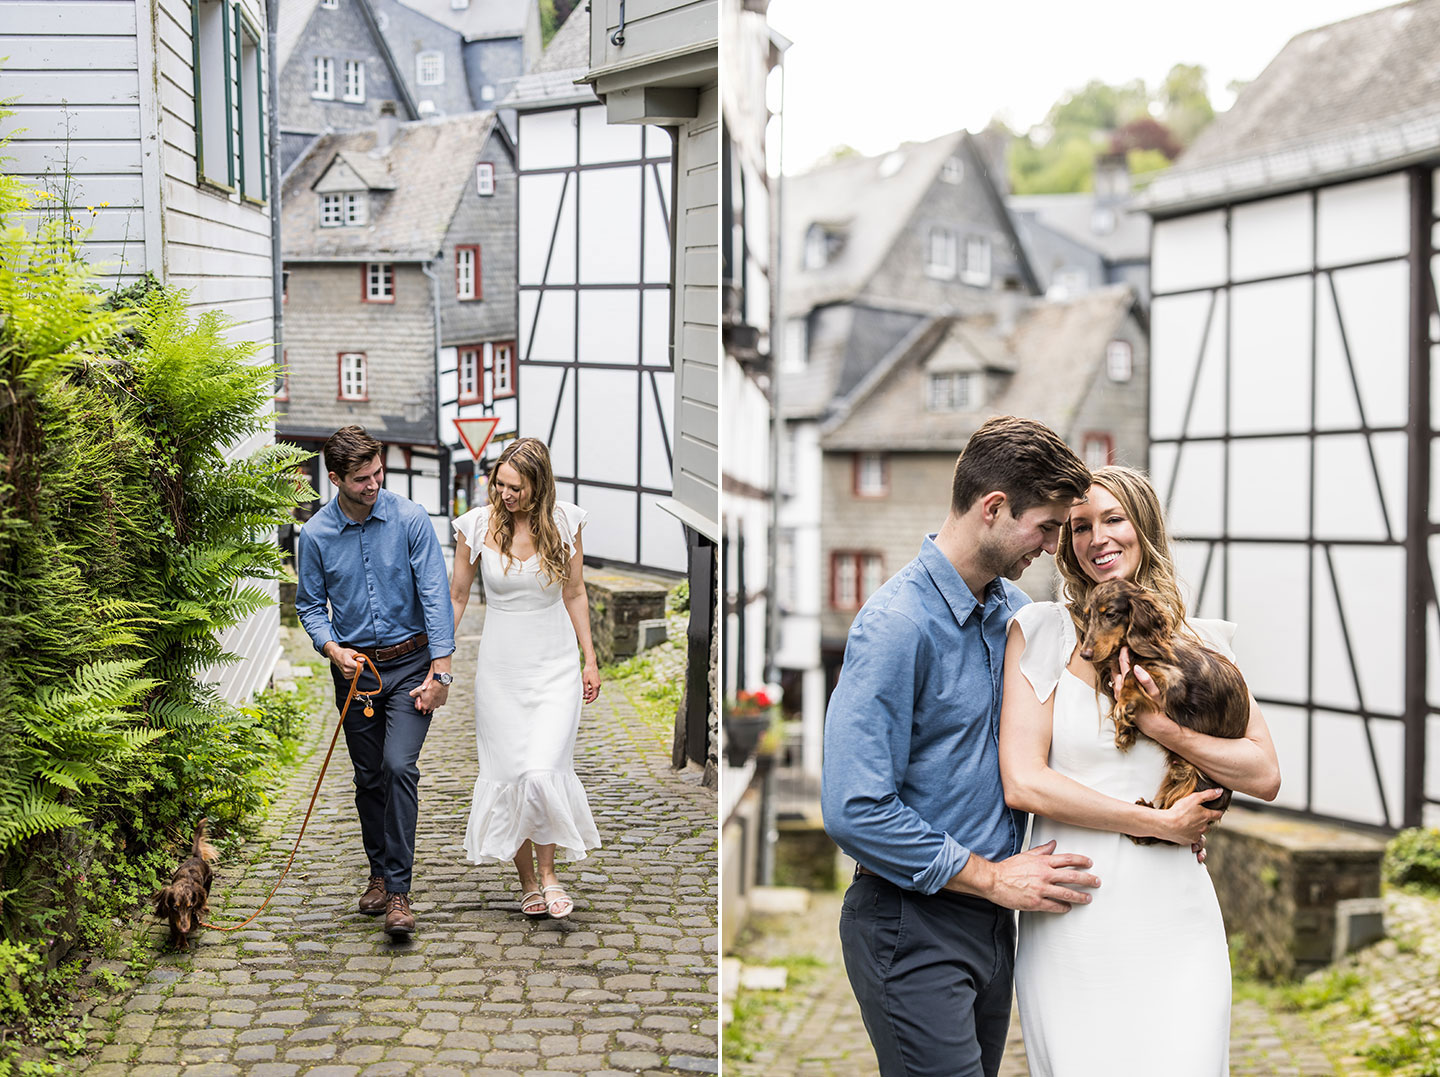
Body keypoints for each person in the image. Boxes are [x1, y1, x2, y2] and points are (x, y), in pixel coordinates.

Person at [821, 415, 1100, 1077]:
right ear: (995, 508)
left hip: (992, 926)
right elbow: (854, 808)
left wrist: (1161, 814)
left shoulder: (1013, 614)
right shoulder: (894, 626)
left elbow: (1057, 745)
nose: (1056, 546)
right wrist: (995, 877)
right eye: (1049, 527)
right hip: (910, 922)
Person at [999, 465, 1282, 1076]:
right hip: (1076, 910)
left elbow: (1262, 773)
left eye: (1113, 519)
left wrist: (1162, 729)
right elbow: (1024, 781)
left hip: (1176, 917)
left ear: (1143, 526)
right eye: (1078, 527)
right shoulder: (1041, 632)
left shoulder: (1204, 645)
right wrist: (1156, 824)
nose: (1096, 538)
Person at [295, 426, 456, 938]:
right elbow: (308, 607)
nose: (373, 484)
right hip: (356, 674)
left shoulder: (410, 519)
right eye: (362, 478)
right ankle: (380, 875)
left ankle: (400, 893)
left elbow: (435, 596)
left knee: (397, 766)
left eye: (378, 473)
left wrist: (442, 672)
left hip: (411, 665)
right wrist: (331, 647)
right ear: (336, 477)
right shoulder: (316, 535)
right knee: (369, 779)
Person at [449, 437, 602, 919]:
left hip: (554, 666)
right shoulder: (475, 526)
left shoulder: (566, 523)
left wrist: (590, 660)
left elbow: (575, 593)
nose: (504, 493)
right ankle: (527, 882)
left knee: (542, 771)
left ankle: (551, 875)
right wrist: (438, 659)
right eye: (500, 483)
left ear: (539, 486)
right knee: (512, 773)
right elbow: (456, 596)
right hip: (500, 672)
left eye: (515, 487)